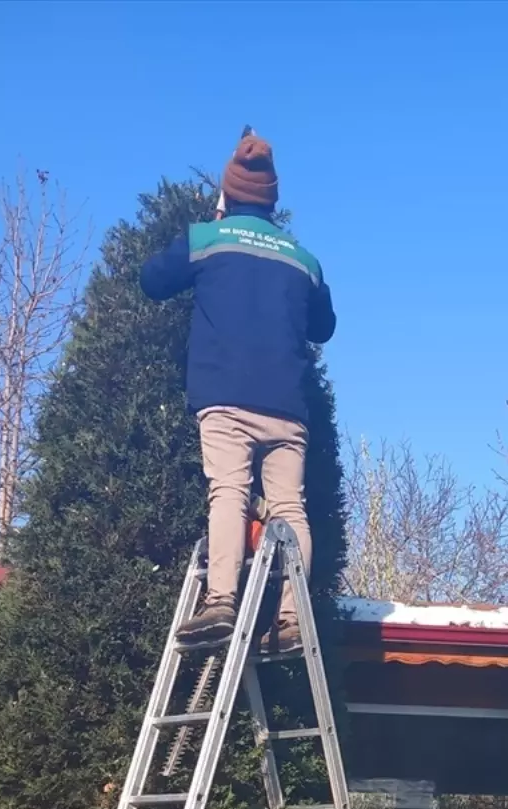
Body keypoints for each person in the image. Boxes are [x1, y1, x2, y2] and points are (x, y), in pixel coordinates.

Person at [140, 134, 336, 652]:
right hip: (288, 410)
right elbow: (324, 327)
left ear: (228, 193)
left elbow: (152, 280)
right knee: (290, 507)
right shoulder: (303, 259)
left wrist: (215, 223)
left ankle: (221, 601)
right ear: (272, 199)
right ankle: (293, 618)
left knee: (228, 490)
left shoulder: (208, 238)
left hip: (225, 397)